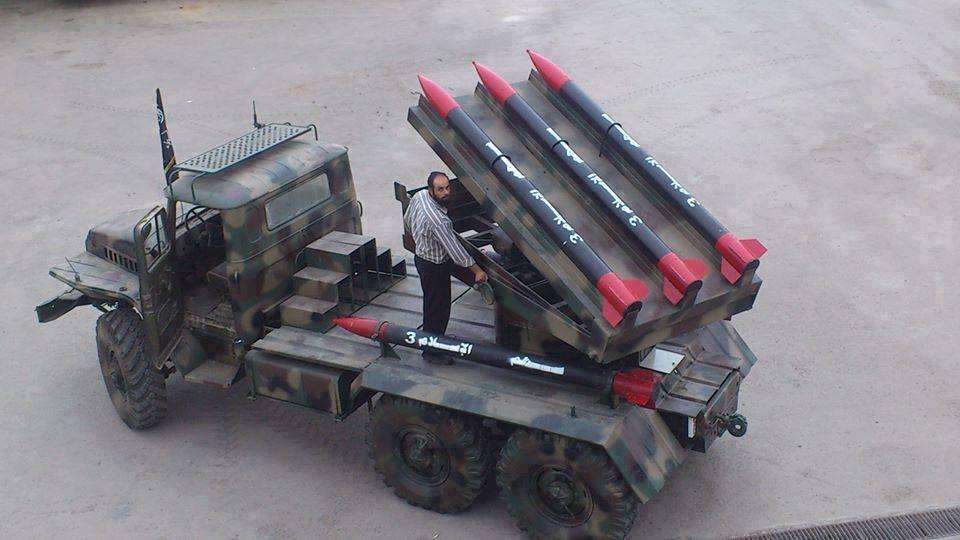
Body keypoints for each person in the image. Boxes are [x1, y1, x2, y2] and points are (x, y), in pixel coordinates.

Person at [404, 172, 488, 363]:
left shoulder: (420, 196)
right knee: (438, 309)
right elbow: (455, 250)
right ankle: (432, 351)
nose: (446, 192)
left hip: (422, 258)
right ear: (431, 190)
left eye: (447, 187)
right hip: (434, 267)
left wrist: (421, 239)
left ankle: (435, 340)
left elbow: (408, 220)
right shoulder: (438, 220)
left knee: (432, 304)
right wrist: (477, 271)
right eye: (440, 189)